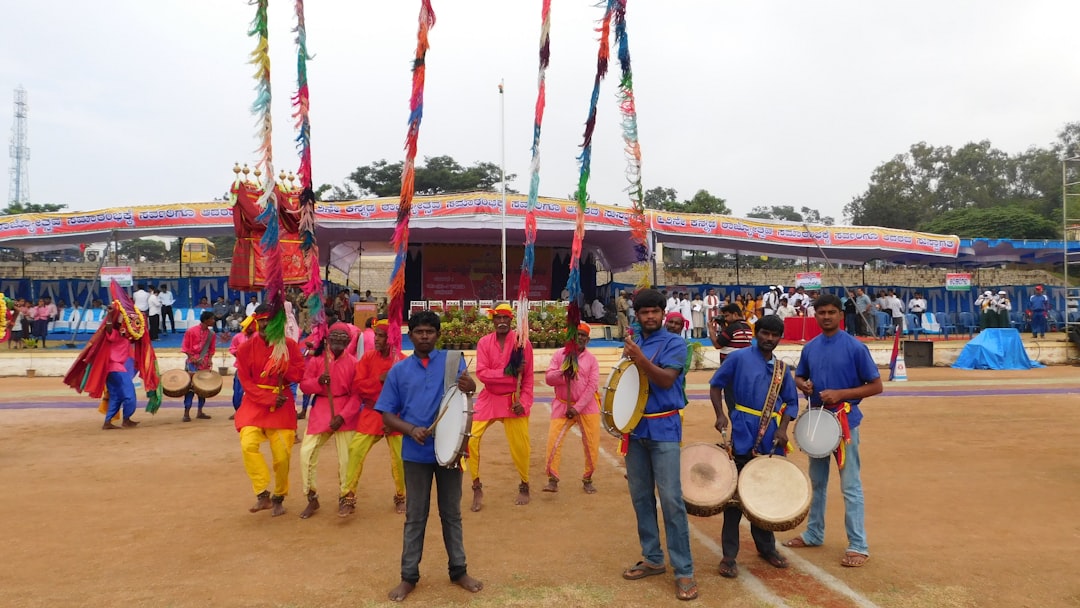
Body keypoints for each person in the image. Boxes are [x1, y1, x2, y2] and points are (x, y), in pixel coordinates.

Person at [375, 310, 483, 601]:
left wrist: (470, 388)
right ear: (411, 336)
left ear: (437, 335)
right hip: (415, 452)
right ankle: (408, 576)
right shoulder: (398, 371)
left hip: (449, 451)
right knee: (415, 516)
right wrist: (410, 429)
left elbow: (465, 395)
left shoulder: (452, 361)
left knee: (452, 514)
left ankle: (458, 570)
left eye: (430, 332)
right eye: (419, 332)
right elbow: (386, 414)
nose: (425, 336)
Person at [785, 294, 883, 569]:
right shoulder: (811, 348)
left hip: (845, 424)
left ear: (840, 315)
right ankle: (814, 533)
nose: (826, 317)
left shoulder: (855, 347)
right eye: (821, 312)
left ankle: (858, 545)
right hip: (817, 423)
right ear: (815, 316)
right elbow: (800, 375)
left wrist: (842, 393)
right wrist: (802, 384)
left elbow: (876, 386)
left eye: (830, 312)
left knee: (850, 486)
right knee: (816, 482)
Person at [619, 288, 697, 602]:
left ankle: (684, 569)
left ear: (663, 313)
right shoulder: (635, 343)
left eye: (654, 311)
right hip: (636, 431)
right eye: (644, 312)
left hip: (664, 428)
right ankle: (652, 558)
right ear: (636, 315)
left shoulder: (675, 343)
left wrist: (639, 359)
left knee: (672, 501)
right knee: (641, 498)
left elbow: (665, 380)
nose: (649, 316)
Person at [708, 315, 797, 578]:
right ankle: (728, 556)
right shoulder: (738, 358)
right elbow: (716, 386)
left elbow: (791, 403)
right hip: (742, 434)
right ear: (756, 333)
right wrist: (721, 414)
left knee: (763, 496)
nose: (769, 339)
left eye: (774, 335)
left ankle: (767, 548)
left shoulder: (782, 368)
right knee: (734, 500)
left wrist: (783, 430)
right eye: (765, 333)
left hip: (770, 440)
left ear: (780, 338)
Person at [234, 304, 306, 517]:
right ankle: (261, 493)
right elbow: (245, 382)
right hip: (255, 403)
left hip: (282, 404)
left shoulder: (290, 346)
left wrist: (286, 367)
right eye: (262, 320)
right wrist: (268, 398)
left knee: (282, 455)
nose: (265, 324)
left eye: (270, 320)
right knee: (248, 444)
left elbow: (299, 374)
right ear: (256, 321)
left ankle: (279, 496)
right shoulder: (245, 349)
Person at [466, 303, 535, 511]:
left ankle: (524, 484)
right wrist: (509, 372)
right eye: (498, 318)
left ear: (511, 320)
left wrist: (523, 403)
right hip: (489, 398)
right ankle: (476, 486)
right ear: (493, 320)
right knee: (471, 440)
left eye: (506, 318)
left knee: (521, 447)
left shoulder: (523, 344)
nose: (502, 322)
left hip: (514, 401)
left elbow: (529, 379)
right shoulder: (484, 343)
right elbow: (482, 374)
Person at [296, 323, 362, 519]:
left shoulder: (354, 363)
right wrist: (318, 382)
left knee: (347, 459)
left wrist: (343, 416)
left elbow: (358, 395)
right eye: (335, 336)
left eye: (343, 337)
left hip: (345, 413)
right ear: (327, 338)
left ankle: (346, 498)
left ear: (349, 340)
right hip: (322, 409)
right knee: (306, 453)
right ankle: (311, 497)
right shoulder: (317, 361)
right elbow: (304, 386)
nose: (339, 340)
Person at [347, 317, 407, 515]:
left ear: (391, 338)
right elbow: (358, 386)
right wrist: (379, 379)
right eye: (377, 336)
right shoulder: (367, 358)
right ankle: (347, 495)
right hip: (372, 412)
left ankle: (401, 496)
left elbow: (408, 393)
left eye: (382, 336)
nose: (377, 340)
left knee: (399, 458)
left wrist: (394, 417)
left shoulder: (403, 361)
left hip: (396, 415)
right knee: (356, 449)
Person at [542, 322, 601, 494]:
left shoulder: (592, 360)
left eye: (583, 335)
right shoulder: (560, 355)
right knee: (553, 441)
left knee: (591, 444)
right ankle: (552, 479)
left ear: (588, 339)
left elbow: (592, 386)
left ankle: (588, 478)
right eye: (577, 335)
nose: (580, 338)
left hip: (587, 407)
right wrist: (563, 372)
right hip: (562, 404)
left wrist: (578, 408)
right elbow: (548, 378)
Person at [708, 302, 754, 415]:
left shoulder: (732, 328)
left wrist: (711, 330)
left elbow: (718, 344)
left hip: (730, 368)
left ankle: (735, 423)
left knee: (731, 398)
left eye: (727, 316)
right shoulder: (747, 327)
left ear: (734, 314)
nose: (726, 319)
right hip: (744, 367)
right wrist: (724, 326)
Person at [181, 311, 217, 422]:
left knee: (203, 388)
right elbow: (185, 347)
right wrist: (191, 358)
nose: (214, 321)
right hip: (192, 364)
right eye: (212, 319)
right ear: (206, 320)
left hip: (204, 364)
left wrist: (210, 360)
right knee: (190, 388)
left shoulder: (212, 334)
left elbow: (211, 349)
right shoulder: (190, 331)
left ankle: (200, 411)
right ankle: (186, 413)